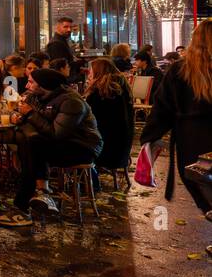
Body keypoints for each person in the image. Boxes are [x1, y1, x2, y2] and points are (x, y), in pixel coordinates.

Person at [0, 67, 103, 226]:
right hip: (58, 144)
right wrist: (16, 116)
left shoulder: (71, 102)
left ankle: (28, 204)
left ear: (44, 85)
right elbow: (17, 112)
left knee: (32, 145)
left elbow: (55, 133)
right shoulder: (39, 97)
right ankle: (40, 195)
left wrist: (30, 114)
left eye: (31, 82)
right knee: (29, 143)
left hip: (82, 148)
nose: (26, 86)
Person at [140, 19, 212, 221]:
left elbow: (163, 106)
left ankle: (208, 211)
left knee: (199, 183)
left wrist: (150, 137)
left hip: (192, 139)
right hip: (193, 133)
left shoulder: (179, 70)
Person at [84, 58, 134, 185]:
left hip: (105, 150)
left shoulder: (99, 92)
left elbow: (88, 119)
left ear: (98, 73)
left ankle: (84, 182)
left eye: (91, 72)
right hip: (122, 148)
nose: (89, 75)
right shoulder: (121, 88)